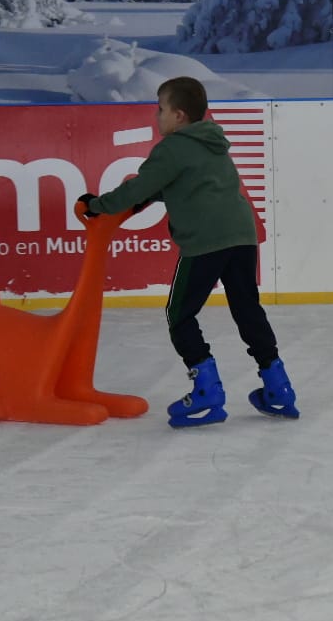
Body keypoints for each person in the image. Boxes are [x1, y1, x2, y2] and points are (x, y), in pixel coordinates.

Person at [79, 76, 298, 428]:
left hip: (206, 240)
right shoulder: (213, 142)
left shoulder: (172, 148)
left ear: (179, 115)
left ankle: (206, 391)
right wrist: (153, 194)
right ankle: (278, 386)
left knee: (178, 314)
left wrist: (96, 205)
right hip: (241, 236)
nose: (156, 116)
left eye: (161, 108)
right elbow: (186, 186)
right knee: (246, 309)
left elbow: (137, 190)